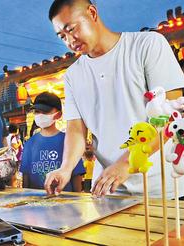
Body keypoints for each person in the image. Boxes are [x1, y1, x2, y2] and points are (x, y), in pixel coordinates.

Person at [44, 0, 184, 198]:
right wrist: (65, 169)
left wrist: (126, 163)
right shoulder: (73, 75)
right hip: (109, 192)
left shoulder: (147, 45)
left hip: (163, 190)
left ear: (92, 13)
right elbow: (76, 130)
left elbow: (171, 115)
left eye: (72, 29)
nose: (69, 40)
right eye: (62, 36)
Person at [20, 92, 85, 190]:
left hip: (64, 201)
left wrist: (77, 198)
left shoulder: (69, 141)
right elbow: (26, 177)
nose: (40, 115)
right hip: (36, 201)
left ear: (58, 115)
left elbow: (76, 176)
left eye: (45, 112)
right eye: (37, 111)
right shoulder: (29, 143)